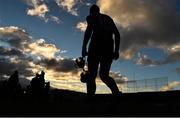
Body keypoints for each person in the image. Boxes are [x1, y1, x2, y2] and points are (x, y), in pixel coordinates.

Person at [82, 4, 121, 96]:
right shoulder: (108, 18)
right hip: (106, 49)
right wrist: (116, 50)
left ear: (91, 12)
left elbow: (88, 32)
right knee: (103, 76)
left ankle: (91, 96)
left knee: (92, 75)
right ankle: (116, 92)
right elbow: (117, 34)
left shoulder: (91, 17)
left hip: (97, 48)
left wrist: (84, 47)